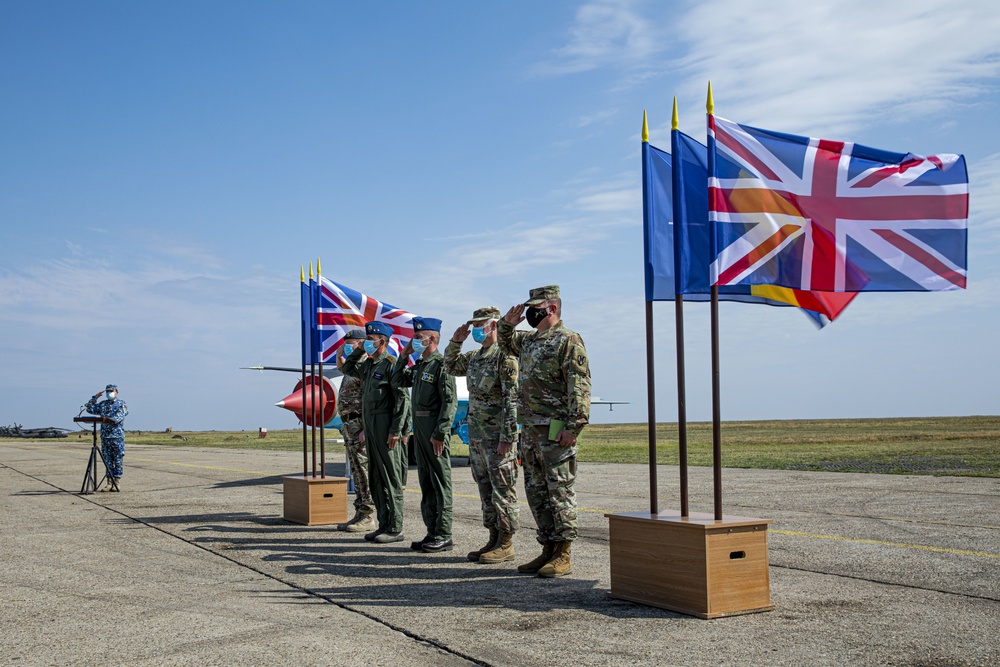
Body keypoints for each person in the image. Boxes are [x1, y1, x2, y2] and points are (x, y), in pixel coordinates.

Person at [498, 285, 591, 578]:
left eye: (535, 307)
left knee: (559, 491)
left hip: (556, 429)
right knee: (536, 492)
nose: (529, 312)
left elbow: (579, 385)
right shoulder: (528, 341)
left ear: (551, 308)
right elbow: (505, 342)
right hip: (531, 430)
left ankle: (563, 552)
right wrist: (506, 324)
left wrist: (573, 426)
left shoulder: (568, 340)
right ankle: (547, 548)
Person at [443, 307, 520, 564]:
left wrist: (508, 436)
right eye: (474, 324)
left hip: (498, 437)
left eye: (480, 325)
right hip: (477, 436)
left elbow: (512, 399)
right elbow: (451, 366)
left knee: (503, 491)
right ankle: (493, 536)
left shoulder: (505, 357)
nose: (476, 329)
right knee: (485, 490)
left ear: (494, 326)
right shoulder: (476, 357)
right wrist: (456, 341)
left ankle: (506, 542)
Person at [391, 317, 458, 553]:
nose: (414, 341)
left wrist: (440, 432)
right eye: (414, 337)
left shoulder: (442, 365)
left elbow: (449, 402)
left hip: (433, 428)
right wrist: (404, 355)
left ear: (433, 339)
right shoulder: (420, 365)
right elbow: (397, 380)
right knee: (426, 481)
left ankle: (444, 534)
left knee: (440, 482)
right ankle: (432, 531)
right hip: (419, 428)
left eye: (418, 338)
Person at [340, 321, 409, 544]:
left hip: (385, 428)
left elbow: (402, 401)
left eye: (371, 340)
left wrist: (396, 430)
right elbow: (348, 367)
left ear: (382, 341)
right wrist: (358, 350)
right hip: (370, 428)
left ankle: (396, 528)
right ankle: (383, 524)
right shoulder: (368, 366)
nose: (367, 343)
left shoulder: (391, 364)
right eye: (366, 340)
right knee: (377, 480)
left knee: (391, 480)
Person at [335, 329, 376, 533]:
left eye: (352, 343)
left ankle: (368, 515)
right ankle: (360, 513)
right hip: (349, 425)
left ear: (362, 344)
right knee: (357, 472)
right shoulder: (352, 368)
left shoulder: (364, 367)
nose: (348, 346)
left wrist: (366, 429)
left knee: (364, 471)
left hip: (359, 425)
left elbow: (371, 400)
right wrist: (340, 354)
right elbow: (342, 366)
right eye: (346, 343)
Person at [84, 384, 129, 490]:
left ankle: (116, 482)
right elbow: (89, 409)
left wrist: (107, 419)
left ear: (116, 392)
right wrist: (94, 398)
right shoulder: (103, 404)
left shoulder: (121, 404)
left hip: (116, 437)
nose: (109, 393)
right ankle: (109, 483)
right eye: (107, 391)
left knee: (117, 460)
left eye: (111, 391)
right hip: (105, 437)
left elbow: (120, 416)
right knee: (107, 460)